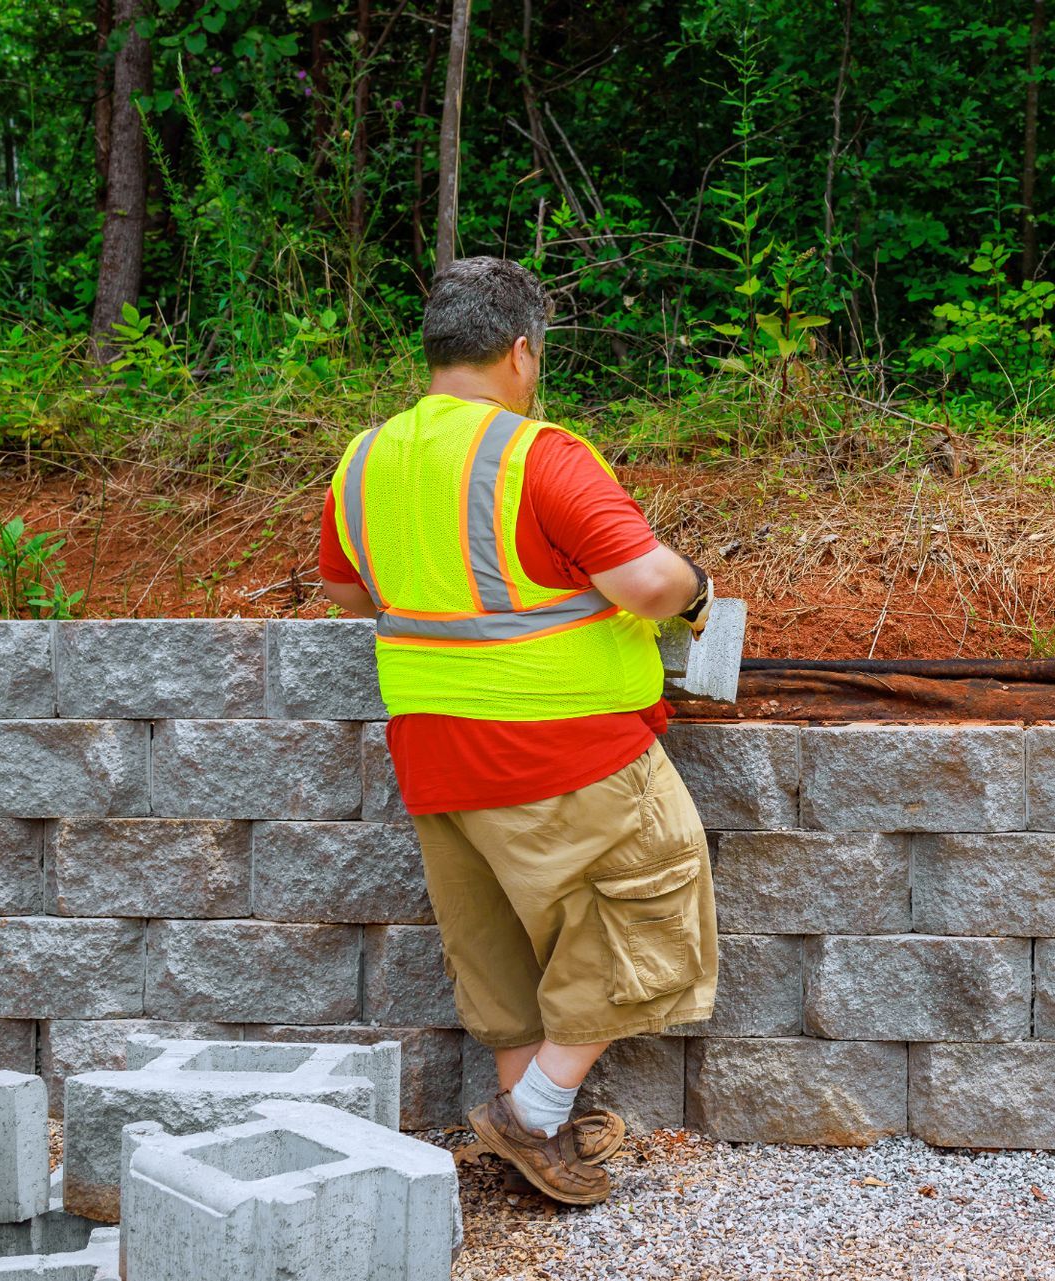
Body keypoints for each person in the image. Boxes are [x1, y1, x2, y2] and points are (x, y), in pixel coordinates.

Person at [317, 256, 719, 1205]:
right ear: (523, 354)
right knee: (653, 904)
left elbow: (345, 587)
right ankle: (534, 1114)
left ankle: (539, 1144)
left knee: (496, 943)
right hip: (564, 747)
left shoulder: (366, 456)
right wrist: (697, 589)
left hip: (433, 754)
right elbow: (646, 583)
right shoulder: (538, 456)